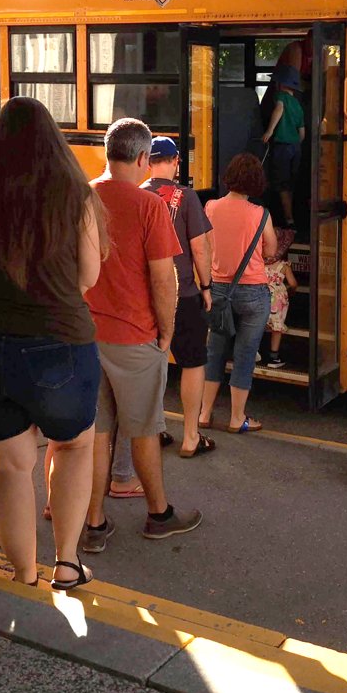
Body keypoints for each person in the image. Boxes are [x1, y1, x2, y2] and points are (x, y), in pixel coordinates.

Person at [0, 96, 106, 589]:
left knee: (11, 464)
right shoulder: (75, 194)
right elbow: (88, 275)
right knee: (75, 445)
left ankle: (23, 574)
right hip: (59, 343)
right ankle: (66, 563)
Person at [82, 118, 202, 553]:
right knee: (144, 430)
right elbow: (162, 280)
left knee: (96, 434)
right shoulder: (149, 205)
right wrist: (166, 333)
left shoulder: (83, 197)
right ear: (142, 158)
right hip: (134, 338)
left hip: (86, 336)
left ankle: (94, 524)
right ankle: (158, 514)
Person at [142, 136, 216, 458]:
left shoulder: (137, 195)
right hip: (182, 292)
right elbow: (199, 246)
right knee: (192, 362)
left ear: (146, 162)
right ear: (175, 162)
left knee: (151, 363)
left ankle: (154, 431)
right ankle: (190, 436)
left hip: (143, 294)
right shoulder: (185, 197)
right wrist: (207, 286)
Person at [200, 153, 275, 433]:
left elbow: (205, 244)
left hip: (218, 290)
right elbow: (270, 249)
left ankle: (204, 413)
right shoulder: (261, 214)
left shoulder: (211, 207)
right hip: (253, 292)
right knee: (245, 354)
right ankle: (236, 418)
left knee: (214, 352)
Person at [261, 64, 304, 229]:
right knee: (292, 183)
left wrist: (270, 131)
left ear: (280, 84)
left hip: (282, 147)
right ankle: (292, 215)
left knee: (282, 184)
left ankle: (288, 219)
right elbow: (302, 133)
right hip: (295, 148)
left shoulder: (281, 97)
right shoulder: (298, 105)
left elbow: (279, 109)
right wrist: (295, 144)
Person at [263, 226, 297, 369]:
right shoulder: (284, 266)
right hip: (277, 302)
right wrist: (291, 291)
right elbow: (293, 283)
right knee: (276, 328)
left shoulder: (258, 263)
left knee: (257, 326)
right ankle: (273, 357)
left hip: (261, 297)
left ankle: (253, 353)